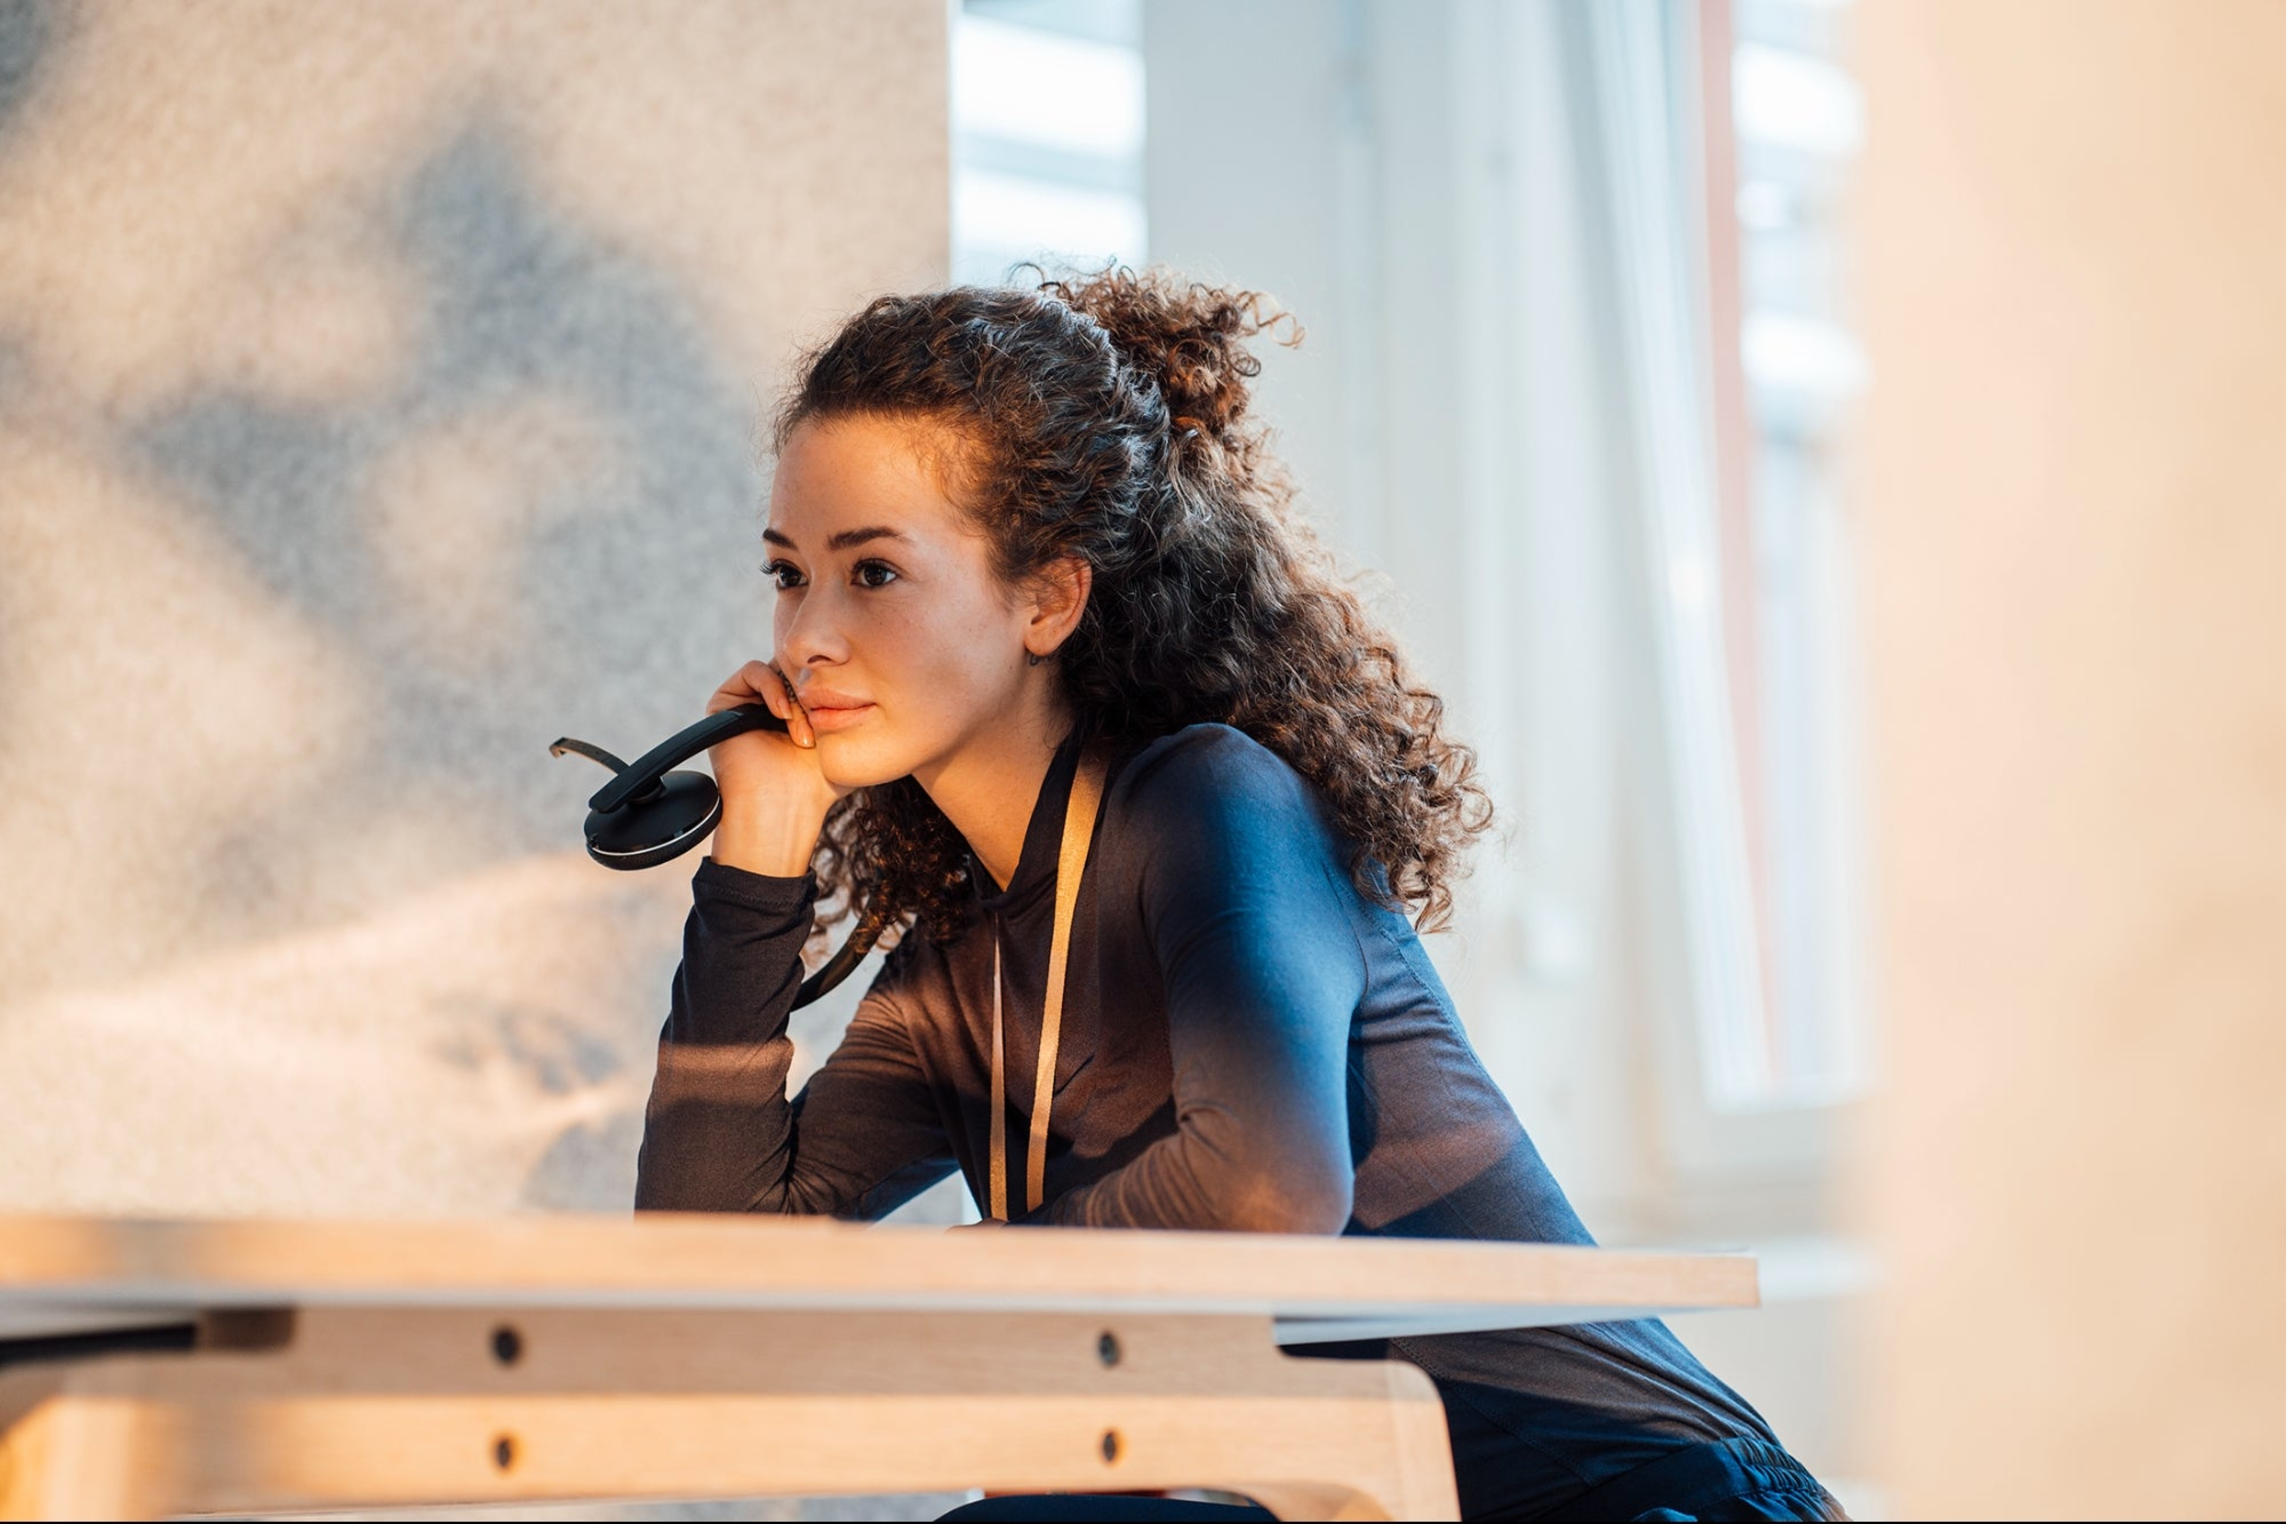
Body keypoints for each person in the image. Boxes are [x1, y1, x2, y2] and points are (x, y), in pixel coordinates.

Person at [633, 268, 1846, 1522]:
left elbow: (1266, 1190)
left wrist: (975, 1272)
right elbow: (707, 1269)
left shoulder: (1209, 803)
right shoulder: (959, 971)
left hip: (1650, 1499)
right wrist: (757, 858)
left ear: (1048, 597)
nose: (806, 639)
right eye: (789, 575)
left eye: (874, 574)